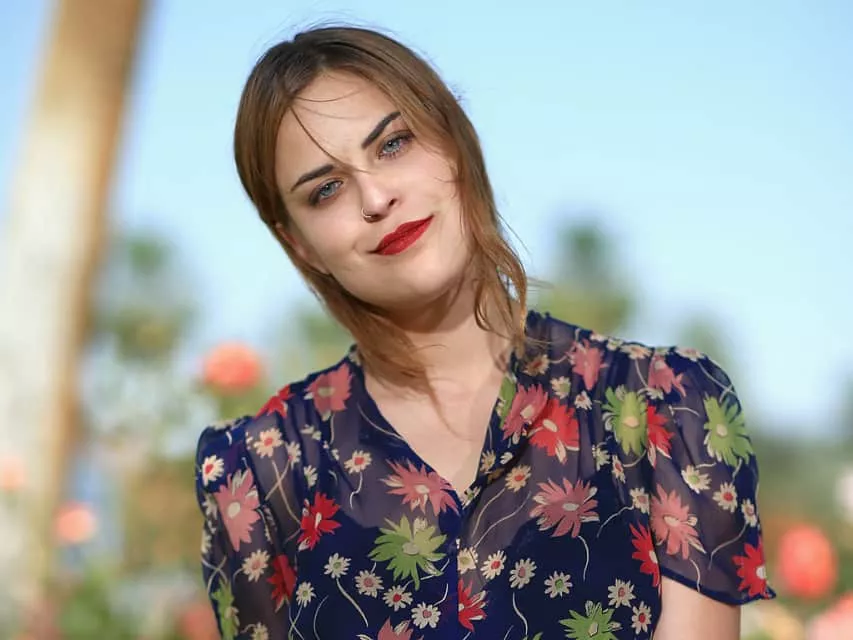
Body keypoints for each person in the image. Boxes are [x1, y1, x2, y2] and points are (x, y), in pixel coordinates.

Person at [194, 25, 775, 639]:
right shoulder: (260, 472)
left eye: (393, 144)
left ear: (455, 139)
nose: (376, 196)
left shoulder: (666, 406)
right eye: (327, 189)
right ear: (298, 243)